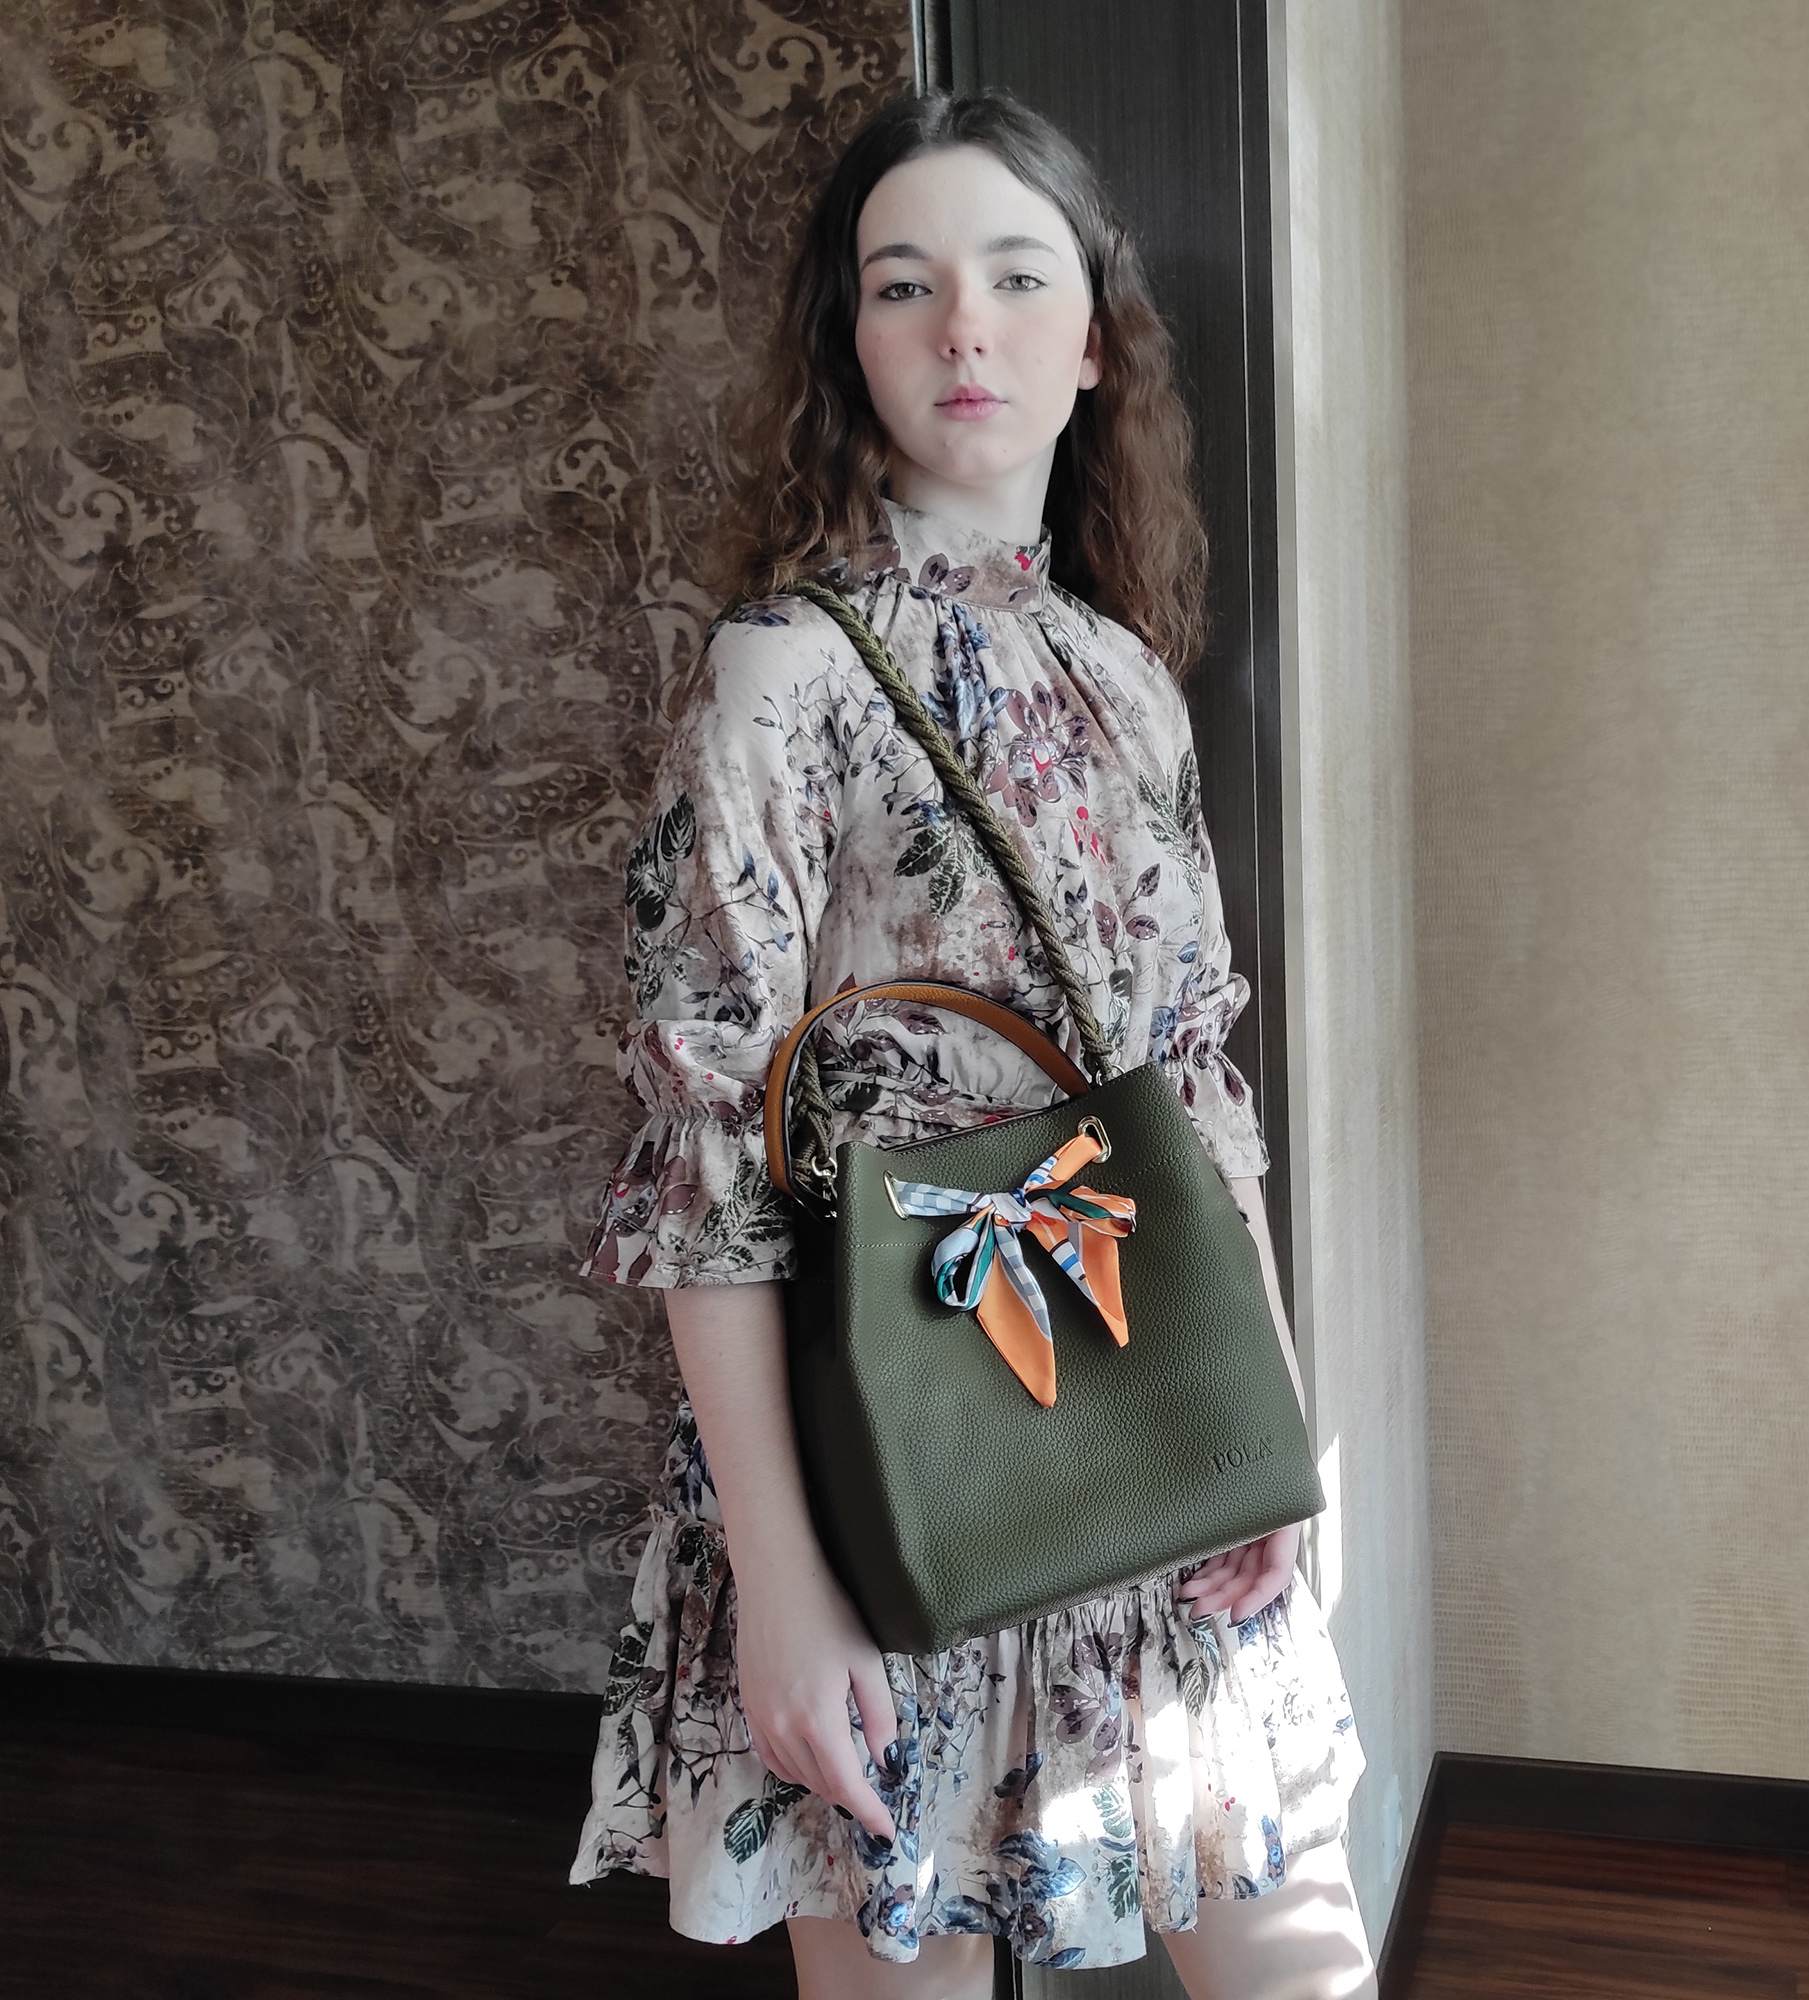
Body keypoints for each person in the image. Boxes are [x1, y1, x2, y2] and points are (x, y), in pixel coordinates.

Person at [567, 85, 1376, 2000]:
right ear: (850, 345)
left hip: (1148, 1414)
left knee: (1296, 1958)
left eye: (1019, 278)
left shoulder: (1122, 674)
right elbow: (708, 1157)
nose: (964, 329)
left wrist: (1265, 1427)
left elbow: (1197, 1088)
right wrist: (782, 1589)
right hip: (893, 1463)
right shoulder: (783, 674)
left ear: (1094, 341)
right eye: (903, 285)